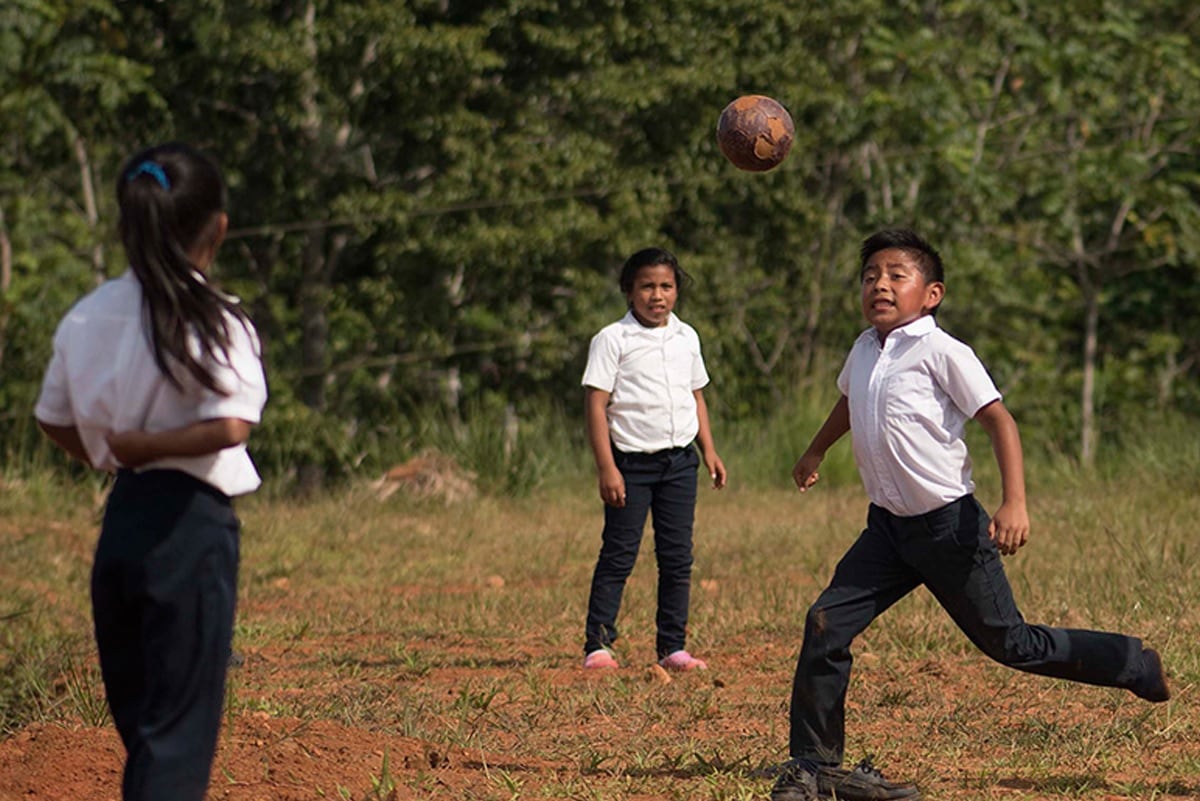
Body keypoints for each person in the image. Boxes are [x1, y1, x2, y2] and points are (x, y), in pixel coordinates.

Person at [770, 229, 1170, 801]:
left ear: (931, 294)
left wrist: (1015, 502)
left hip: (948, 530)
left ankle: (1131, 661)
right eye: (870, 276)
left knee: (1012, 644)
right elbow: (850, 400)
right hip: (886, 531)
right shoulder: (863, 349)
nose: (880, 285)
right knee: (825, 623)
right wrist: (815, 450)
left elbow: (999, 421)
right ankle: (813, 764)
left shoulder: (943, 352)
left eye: (896, 275)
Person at [34, 142, 268, 801]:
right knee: (175, 737)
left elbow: (52, 418)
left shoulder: (86, 316)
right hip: (189, 530)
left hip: (122, 525)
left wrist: (110, 455)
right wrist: (145, 446)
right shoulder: (215, 318)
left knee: (145, 730)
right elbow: (233, 425)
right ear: (217, 229)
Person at [580, 247, 727, 672]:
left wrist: (709, 450)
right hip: (630, 465)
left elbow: (696, 396)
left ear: (677, 290)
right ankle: (598, 645)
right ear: (629, 291)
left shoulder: (687, 337)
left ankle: (672, 647)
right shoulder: (612, 339)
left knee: (677, 557)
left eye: (666, 286)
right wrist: (607, 468)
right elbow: (596, 405)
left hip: (679, 464)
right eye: (647, 286)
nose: (657, 295)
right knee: (619, 554)